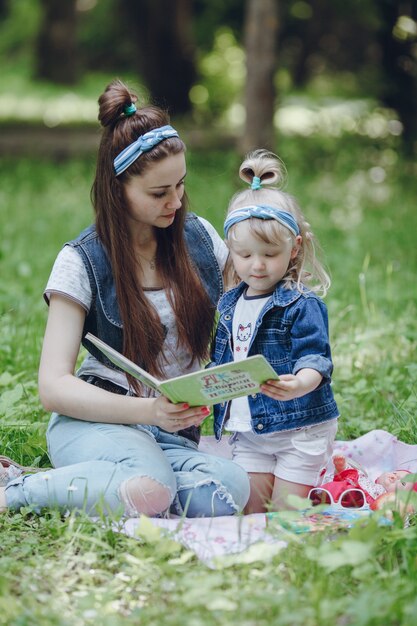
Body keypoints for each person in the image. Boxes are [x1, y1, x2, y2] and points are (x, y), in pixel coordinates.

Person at [0, 79, 250, 518]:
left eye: (180, 185)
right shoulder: (82, 261)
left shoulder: (202, 240)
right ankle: (17, 488)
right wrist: (150, 410)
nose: (176, 201)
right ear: (119, 190)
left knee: (230, 489)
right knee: (151, 489)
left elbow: (250, 313)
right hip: (96, 423)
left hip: (169, 435)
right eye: (159, 193)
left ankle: (114, 488)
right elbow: (52, 387)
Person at [211, 149, 339, 513]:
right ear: (231, 251)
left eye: (269, 253)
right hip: (252, 430)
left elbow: (316, 356)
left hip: (300, 428)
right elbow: (224, 361)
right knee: (250, 511)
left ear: (294, 248)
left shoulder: (301, 303)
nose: (257, 265)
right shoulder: (230, 304)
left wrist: (300, 382)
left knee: (286, 516)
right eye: (245, 255)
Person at [309, 454, 417, 509]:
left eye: (402, 483)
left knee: (344, 490)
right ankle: (320, 492)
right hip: (348, 486)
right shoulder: (367, 481)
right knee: (348, 477)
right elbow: (349, 478)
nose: (394, 477)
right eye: (395, 473)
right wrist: (342, 468)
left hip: (356, 498)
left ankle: (320, 495)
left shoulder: (384, 500)